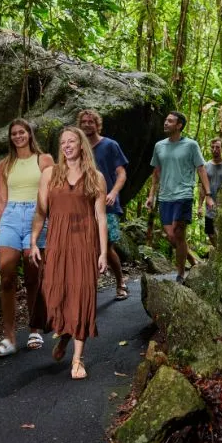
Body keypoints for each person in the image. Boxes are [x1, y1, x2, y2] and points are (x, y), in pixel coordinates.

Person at [29, 126, 108, 380]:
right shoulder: (50, 174)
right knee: (57, 295)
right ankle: (64, 335)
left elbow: (101, 217)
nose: (66, 146)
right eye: (63, 142)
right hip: (58, 242)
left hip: (85, 242)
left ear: (81, 144)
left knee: (82, 295)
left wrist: (103, 253)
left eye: (71, 141)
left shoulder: (96, 177)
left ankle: (77, 358)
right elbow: (41, 211)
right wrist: (33, 241)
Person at [0, 119, 55, 356]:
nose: (18, 136)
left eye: (22, 132)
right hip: (10, 217)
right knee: (7, 276)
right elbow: (1, 198)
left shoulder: (44, 160)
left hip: (36, 217)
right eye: (14, 133)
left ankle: (34, 329)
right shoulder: (5, 164)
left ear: (29, 134)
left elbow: (53, 193)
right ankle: (8, 338)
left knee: (32, 275)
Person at [145, 111, 213, 284]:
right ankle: (191, 259)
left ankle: (180, 273)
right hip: (165, 196)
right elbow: (156, 172)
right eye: (166, 120)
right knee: (170, 236)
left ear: (179, 125)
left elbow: (201, 169)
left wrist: (208, 195)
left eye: (170, 121)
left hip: (184, 194)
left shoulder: (191, 145)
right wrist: (151, 195)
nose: (165, 123)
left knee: (178, 231)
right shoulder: (159, 146)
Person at [77, 109, 129, 300]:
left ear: (97, 124)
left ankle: (120, 281)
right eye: (84, 122)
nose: (87, 124)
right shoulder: (78, 148)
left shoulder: (110, 145)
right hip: (84, 205)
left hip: (107, 205)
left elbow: (121, 173)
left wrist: (113, 192)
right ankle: (88, 288)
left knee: (106, 246)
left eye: (91, 121)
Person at [198, 137, 222, 248]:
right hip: (210, 205)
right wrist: (199, 206)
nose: (215, 149)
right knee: (210, 232)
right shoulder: (206, 166)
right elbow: (202, 187)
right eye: (213, 147)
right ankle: (218, 250)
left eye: (217, 147)